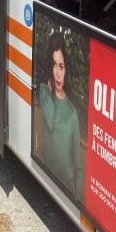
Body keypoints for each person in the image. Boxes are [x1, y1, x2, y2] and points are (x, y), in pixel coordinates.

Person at [38, 32, 83, 201]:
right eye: (54, 65)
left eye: (61, 66)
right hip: (46, 173)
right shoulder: (44, 91)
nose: (57, 74)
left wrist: (77, 198)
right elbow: (49, 121)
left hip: (66, 183)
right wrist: (49, 95)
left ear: (66, 70)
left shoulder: (72, 112)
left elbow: (78, 164)